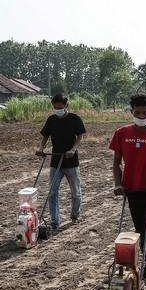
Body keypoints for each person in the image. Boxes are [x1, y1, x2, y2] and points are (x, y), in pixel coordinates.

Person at [109, 94, 146, 290]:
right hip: (131, 189)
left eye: (145, 112)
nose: (141, 115)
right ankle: (132, 269)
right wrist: (118, 184)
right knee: (138, 232)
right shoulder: (122, 133)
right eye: (137, 112)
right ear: (131, 112)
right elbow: (117, 161)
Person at [36, 93, 86, 229]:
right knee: (52, 192)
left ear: (66, 106)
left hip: (71, 161)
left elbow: (80, 136)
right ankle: (54, 220)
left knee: (76, 193)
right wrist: (40, 148)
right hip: (56, 160)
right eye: (55, 107)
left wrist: (73, 149)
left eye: (60, 107)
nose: (57, 109)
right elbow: (45, 136)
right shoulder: (51, 120)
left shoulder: (74, 119)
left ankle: (75, 215)